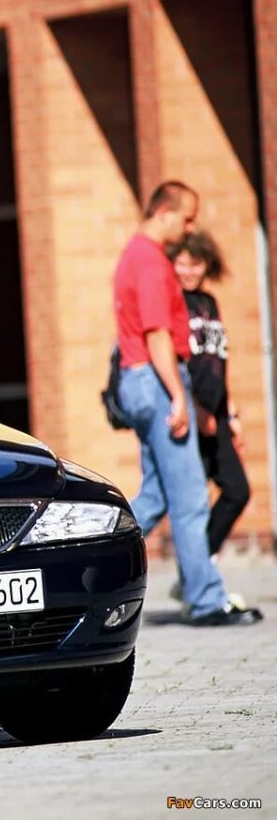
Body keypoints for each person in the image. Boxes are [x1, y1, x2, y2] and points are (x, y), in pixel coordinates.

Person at [112, 181, 261, 626]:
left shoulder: (130, 255)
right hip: (157, 380)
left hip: (135, 381)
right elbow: (157, 334)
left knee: (156, 495)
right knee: (192, 497)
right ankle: (206, 601)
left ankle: (90, 557)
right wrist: (179, 396)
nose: (190, 227)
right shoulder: (153, 262)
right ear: (164, 212)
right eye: (187, 217)